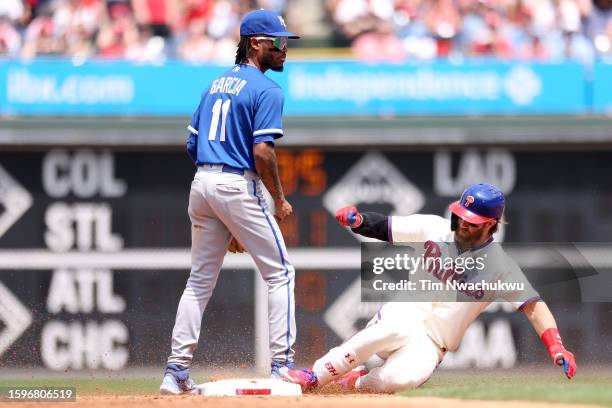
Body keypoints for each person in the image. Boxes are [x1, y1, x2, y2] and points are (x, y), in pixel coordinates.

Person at [283, 183, 577, 393]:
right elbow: (386, 227)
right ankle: (316, 375)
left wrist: (557, 347)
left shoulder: (500, 267)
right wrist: (357, 221)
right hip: (407, 309)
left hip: (434, 342)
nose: (462, 222)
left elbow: (533, 307)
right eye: (461, 215)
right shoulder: (434, 227)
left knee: (399, 379)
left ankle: (358, 380)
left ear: (492, 224)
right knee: (389, 330)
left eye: (472, 221)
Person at [160, 9, 300, 395]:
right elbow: (263, 151)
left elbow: (191, 143)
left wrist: (223, 210)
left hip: (202, 181)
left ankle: (175, 372)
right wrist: (279, 198)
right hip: (238, 184)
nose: (285, 48)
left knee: (199, 280)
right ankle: (282, 366)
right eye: (279, 41)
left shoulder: (214, 84)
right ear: (256, 43)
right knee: (281, 273)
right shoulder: (267, 89)